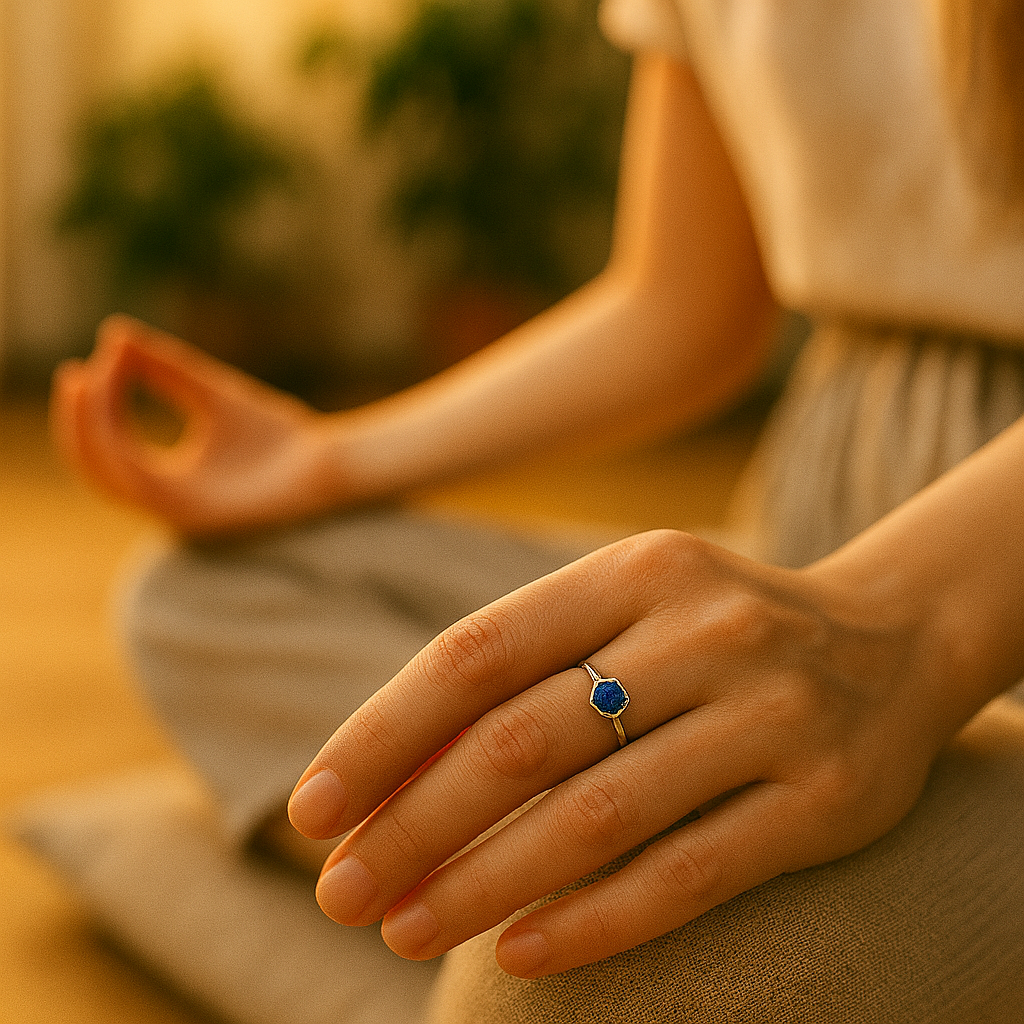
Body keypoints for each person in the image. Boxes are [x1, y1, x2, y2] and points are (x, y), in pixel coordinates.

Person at [48, 0, 1024, 1019]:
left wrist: (906, 628)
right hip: (813, 536)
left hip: (977, 589)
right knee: (206, 592)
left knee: (563, 978)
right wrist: (334, 458)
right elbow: (678, 301)